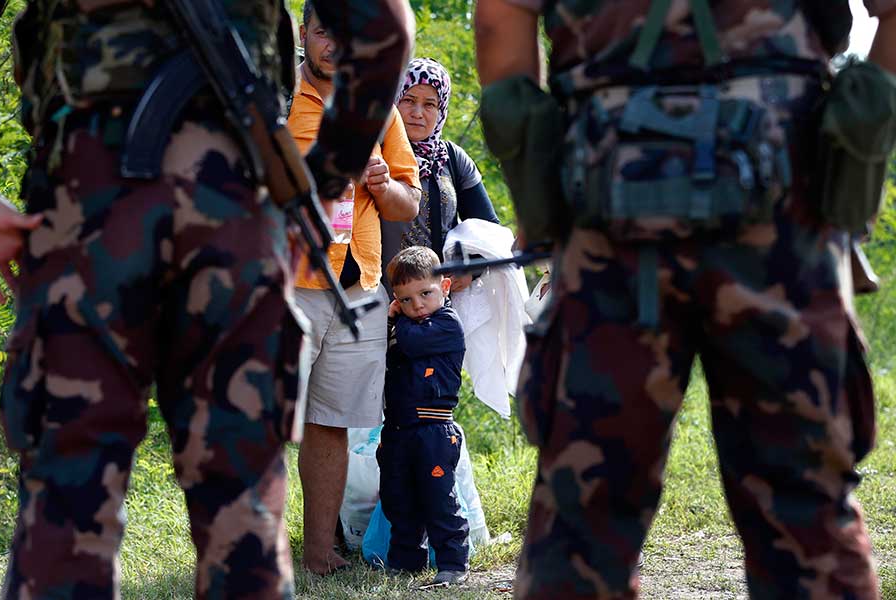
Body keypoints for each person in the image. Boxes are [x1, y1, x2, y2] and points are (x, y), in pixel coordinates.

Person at [0, 1, 414, 598]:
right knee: (243, 522)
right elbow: (387, 30)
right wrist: (315, 184)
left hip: (85, 217)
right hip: (236, 222)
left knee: (67, 506)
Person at [475, 1, 896, 599]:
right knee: (806, 515)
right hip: (783, 203)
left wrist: (540, 196)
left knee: (582, 519)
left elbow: (499, 17)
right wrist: (857, 148)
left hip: (610, 200)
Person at [287, 0, 421, 576]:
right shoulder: (270, 102)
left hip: (358, 290)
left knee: (331, 423)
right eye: (322, 32)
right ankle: (248, 553)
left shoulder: (377, 106)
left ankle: (319, 554)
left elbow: (407, 202)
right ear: (303, 33)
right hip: (283, 287)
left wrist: (383, 184)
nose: (333, 45)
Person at [379, 245, 469, 586]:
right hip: (398, 428)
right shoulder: (407, 324)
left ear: (445, 287)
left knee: (439, 499)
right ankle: (405, 562)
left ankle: (453, 564)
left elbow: (412, 343)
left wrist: (393, 319)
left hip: (433, 429)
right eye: (405, 300)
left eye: (425, 294)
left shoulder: (446, 324)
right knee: (398, 498)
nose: (416, 306)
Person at [382, 58, 500, 295]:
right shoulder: (375, 151)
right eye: (408, 100)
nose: (418, 113)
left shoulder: (452, 159)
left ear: (441, 110)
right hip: (379, 298)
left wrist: (468, 268)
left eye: (429, 105)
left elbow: (489, 229)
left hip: (440, 301)